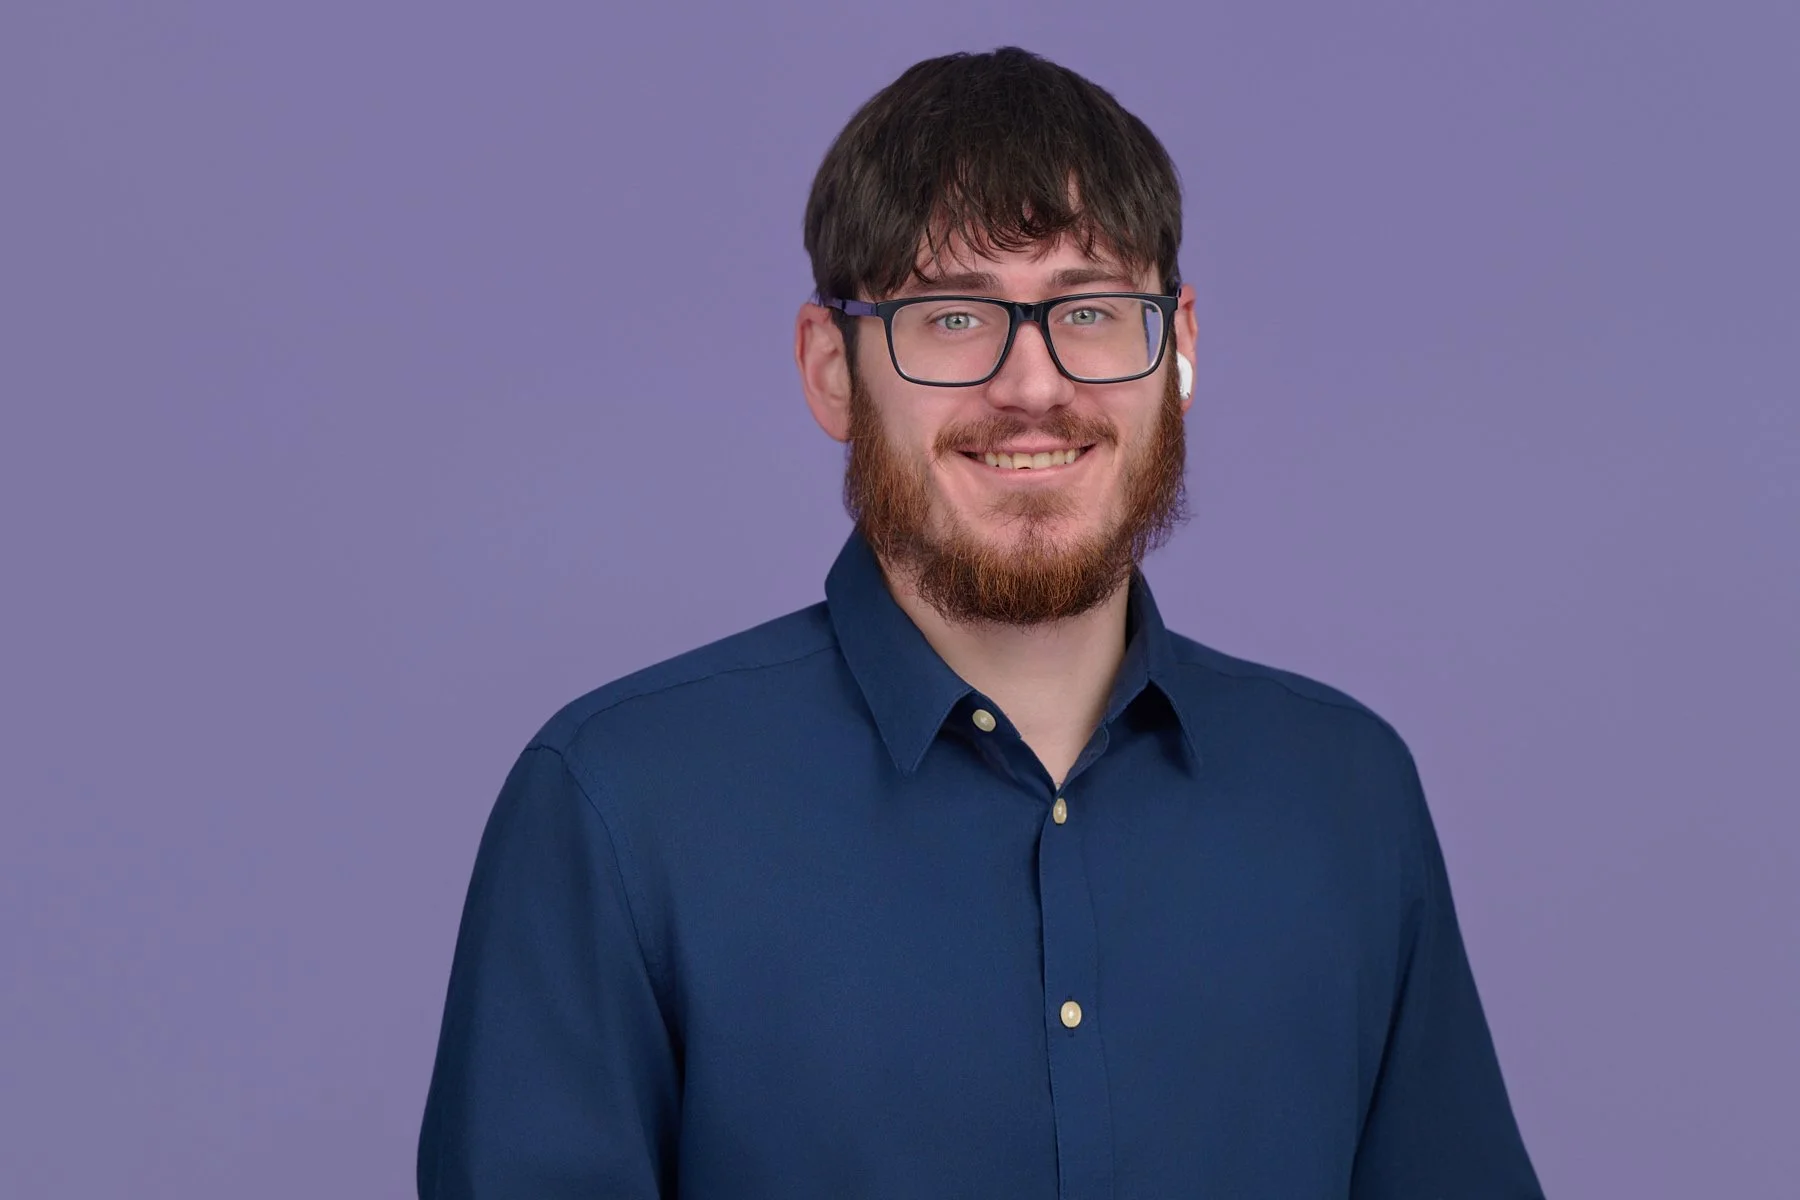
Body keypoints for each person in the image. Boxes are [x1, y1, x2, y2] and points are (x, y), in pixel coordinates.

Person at [417, 46, 1543, 1199]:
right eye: (953, 315)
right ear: (831, 369)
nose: (1033, 386)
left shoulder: (1345, 795)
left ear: (1181, 346)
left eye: (1090, 310)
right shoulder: (619, 808)